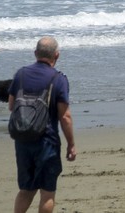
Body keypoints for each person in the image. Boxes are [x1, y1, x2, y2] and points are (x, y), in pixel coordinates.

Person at [9, 36, 77, 213]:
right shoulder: (58, 79)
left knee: (26, 190)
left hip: (23, 141)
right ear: (57, 55)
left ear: (35, 53)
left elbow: (11, 106)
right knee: (47, 192)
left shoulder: (20, 74)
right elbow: (65, 117)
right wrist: (71, 144)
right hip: (47, 142)